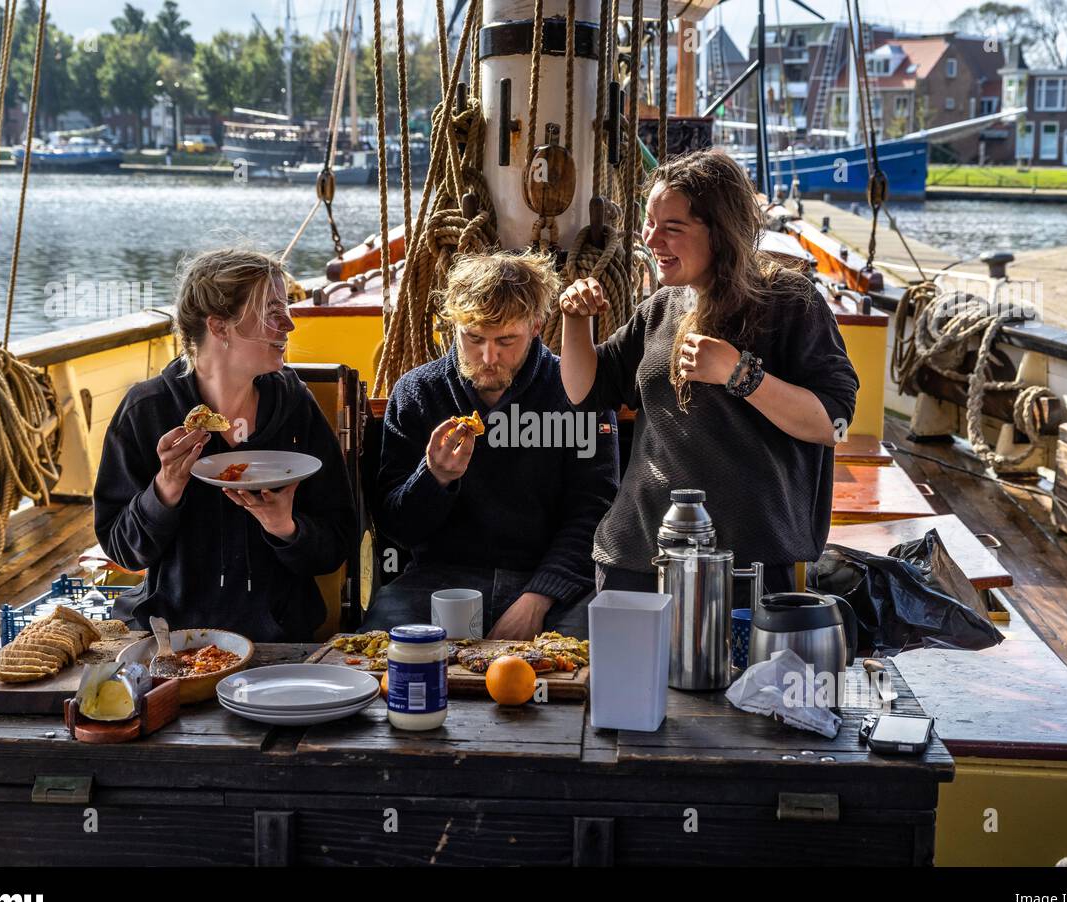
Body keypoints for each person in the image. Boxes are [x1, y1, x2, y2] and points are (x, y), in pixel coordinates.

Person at [558, 149, 859, 597]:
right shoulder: (660, 306)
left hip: (747, 563)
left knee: (742, 673)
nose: (652, 239)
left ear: (720, 232)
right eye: (650, 223)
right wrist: (575, 320)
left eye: (672, 228)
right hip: (637, 554)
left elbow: (833, 423)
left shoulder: (789, 301)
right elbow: (585, 390)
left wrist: (741, 375)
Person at [94, 247, 358, 640]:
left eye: (286, 309)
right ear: (219, 327)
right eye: (272, 312)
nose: (289, 325)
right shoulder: (147, 410)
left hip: (281, 638)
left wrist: (285, 527)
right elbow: (124, 550)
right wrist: (165, 488)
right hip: (174, 638)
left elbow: (337, 544)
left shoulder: (294, 406)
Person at [364, 249, 619, 641]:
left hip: (550, 582)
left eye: (506, 340)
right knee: (380, 653)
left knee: (596, 659)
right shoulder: (417, 393)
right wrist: (433, 479)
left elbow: (595, 514)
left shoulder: (578, 393)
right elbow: (398, 529)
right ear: (453, 325)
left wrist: (539, 597)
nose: (488, 357)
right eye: (474, 338)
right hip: (438, 580)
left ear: (536, 326)